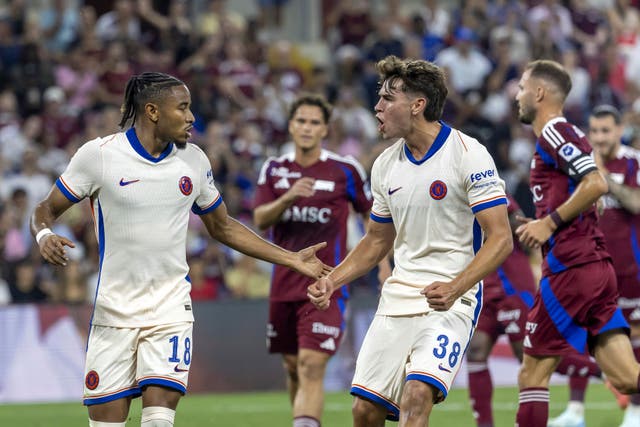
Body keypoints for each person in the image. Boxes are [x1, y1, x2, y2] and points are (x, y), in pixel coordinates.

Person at [30, 72, 331, 427]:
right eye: (183, 108)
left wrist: (291, 259)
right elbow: (44, 209)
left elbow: (223, 226)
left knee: (159, 420)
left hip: (170, 309)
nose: (191, 117)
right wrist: (44, 234)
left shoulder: (194, 160)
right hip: (113, 313)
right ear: (153, 111)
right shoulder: (98, 156)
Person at [307, 55, 513, 427]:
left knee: (417, 394)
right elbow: (376, 241)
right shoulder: (385, 165)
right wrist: (331, 280)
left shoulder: (468, 154)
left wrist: (455, 287)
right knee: (364, 411)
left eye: (388, 99)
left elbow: (500, 239)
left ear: (417, 106)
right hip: (399, 296)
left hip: (452, 298)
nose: (378, 107)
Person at [513, 59, 640, 427]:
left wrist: (549, 224)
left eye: (522, 87)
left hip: (571, 269)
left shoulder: (554, 131)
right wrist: (549, 218)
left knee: (531, 376)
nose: (518, 95)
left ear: (539, 93)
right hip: (595, 267)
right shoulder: (563, 137)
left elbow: (597, 184)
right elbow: (593, 193)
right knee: (626, 377)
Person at [253, 93, 385, 427]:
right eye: (301, 121)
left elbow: (376, 223)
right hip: (283, 286)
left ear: (325, 129)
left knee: (312, 364)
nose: (307, 128)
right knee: (293, 366)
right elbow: (260, 220)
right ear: (290, 126)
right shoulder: (274, 169)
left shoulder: (345, 170)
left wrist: (383, 264)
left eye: (314, 122)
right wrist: (288, 197)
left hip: (326, 285)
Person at [548, 104, 640, 427]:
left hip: (630, 268)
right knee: (583, 335)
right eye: (595, 131)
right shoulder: (578, 164)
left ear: (618, 131)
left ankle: (635, 410)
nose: (599, 137)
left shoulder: (633, 161)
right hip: (590, 267)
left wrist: (602, 180)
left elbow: (636, 202)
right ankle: (575, 411)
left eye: (606, 131)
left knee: (633, 336)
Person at [466, 194, 536, 427]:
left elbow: (516, 222)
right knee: (475, 352)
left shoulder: (486, 184)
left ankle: (595, 371)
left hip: (512, 285)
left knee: (526, 357)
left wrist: (493, 224)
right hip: (480, 286)